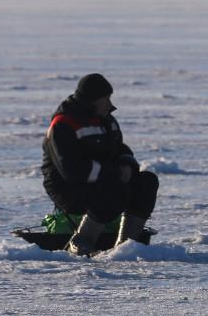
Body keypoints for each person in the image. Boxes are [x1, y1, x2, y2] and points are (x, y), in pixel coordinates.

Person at [42, 73, 159, 256]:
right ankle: (81, 242)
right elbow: (71, 170)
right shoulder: (63, 124)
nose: (109, 103)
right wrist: (112, 173)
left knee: (147, 182)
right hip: (68, 189)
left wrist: (127, 165)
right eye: (106, 98)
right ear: (92, 100)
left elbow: (119, 148)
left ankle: (127, 247)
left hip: (104, 180)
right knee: (113, 187)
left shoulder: (106, 119)